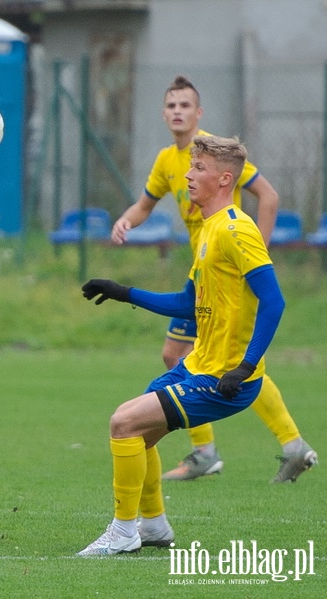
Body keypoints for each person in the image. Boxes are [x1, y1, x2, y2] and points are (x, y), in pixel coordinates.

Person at [78, 135, 288, 556]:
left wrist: (245, 367)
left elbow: (274, 300)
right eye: (190, 167)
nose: (188, 176)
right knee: (140, 435)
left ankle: (123, 531)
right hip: (198, 365)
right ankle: (153, 525)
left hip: (223, 376)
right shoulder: (209, 229)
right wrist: (124, 292)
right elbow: (188, 304)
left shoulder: (236, 229)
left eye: (199, 169)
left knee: (123, 423)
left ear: (224, 179)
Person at [110, 75, 316, 483]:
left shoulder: (217, 155)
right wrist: (125, 225)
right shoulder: (168, 160)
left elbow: (269, 196)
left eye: (185, 105)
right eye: (171, 106)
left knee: (221, 360)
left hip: (226, 267)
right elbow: (144, 205)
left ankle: (209, 451)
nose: (177, 112)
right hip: (202, 268)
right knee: (185, 357)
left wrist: (258, 256)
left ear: (198, 112)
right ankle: (286, 444)